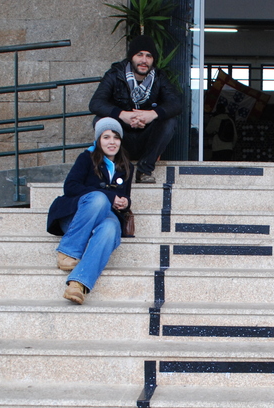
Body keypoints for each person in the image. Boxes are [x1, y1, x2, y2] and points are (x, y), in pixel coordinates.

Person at [46, 118, 133, 305]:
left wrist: (125, 202)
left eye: (116, 138)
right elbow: (70, 187)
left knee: (110, 228)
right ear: (98, 140)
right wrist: (109, 197)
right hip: (79, 217)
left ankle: (78, 285)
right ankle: (68, 252)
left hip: (106, 217)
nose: (111, 142)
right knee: (99, 198)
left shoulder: (127, 165)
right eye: (106, 137)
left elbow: (125, 195)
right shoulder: (86, 158)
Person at [88, 35, 181, 184]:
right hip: (122, 137)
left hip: (147, 139)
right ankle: (115, 168)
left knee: (169, 121)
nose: (144, 60)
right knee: (101, 121)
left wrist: (152, 114)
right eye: (140, 55)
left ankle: (144, 170)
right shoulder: (115, 74)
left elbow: (176, 104)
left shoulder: (159, 77)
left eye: (149, 56)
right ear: (132, 57)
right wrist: (122, 115)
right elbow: (96, 103)